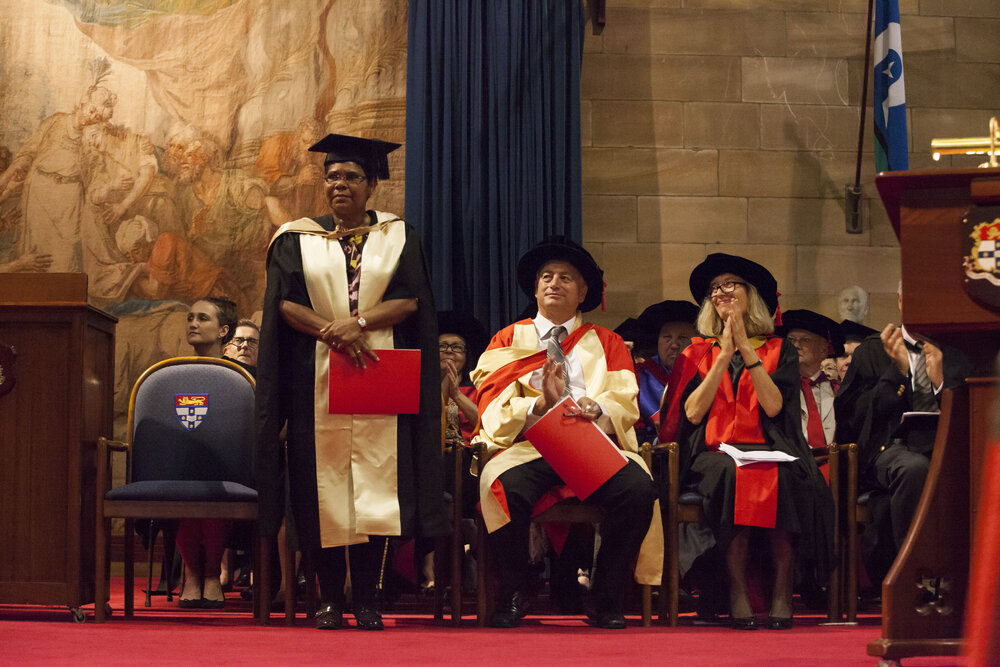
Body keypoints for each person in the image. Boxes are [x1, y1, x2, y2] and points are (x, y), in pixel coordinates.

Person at [255, 133, 447, 631]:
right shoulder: (296, 236)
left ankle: (367, 597)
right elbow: (284, 303)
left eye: (352, 177)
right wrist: (330, 330)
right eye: (333, 176)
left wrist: (356, 325)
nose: (340, 185)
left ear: (373, 185)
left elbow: (411, 300)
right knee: (322, 490)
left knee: (378, 488)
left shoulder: (399, 235)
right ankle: (327, 600)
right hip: (315, 378)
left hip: (379, 372)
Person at [472, 236, 660, 630]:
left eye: (565, 278)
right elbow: (490, 402)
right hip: (530, 446)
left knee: (638, 488)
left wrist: (598, 408)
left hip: (590, 441)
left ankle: (606, 595)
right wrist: (539, 405)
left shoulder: (607, 341)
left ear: (583, 291)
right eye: (546, 276)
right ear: (535, 287)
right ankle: (515, 591)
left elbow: (624, 397)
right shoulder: (507, 339)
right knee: (501, 487)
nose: (553, 283)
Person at [659, 253, 832, 630]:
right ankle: (737, 590)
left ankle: (783, 590)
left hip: (769, 448)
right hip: (714, 453)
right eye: (715, 288)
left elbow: (773, 408)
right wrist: (723, 353)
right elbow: (691, 414)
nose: (721, 292)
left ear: (749, 294)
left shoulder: (779, 350)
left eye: (730, 284)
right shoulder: (696, 352)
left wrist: (746, 348)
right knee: (733, 474)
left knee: (784, 475)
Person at [834, 282, 971, 583]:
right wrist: (896, 373)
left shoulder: (958, 348)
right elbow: (853, 416)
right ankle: (914, 577)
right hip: (892, 448)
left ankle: (969, 578)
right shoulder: (872, 349)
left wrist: (939, 383)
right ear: (899, 300)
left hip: (947, 444)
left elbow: (973, 407)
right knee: (914, 469)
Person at [176, 295, 238, 608]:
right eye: (190, 317)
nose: (193, 323)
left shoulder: (240, 376)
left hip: (229, 463)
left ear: (224, 330)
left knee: (210, 474)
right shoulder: (171, 373)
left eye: (202, 318)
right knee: (186, 474)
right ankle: (191, 574)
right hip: (184, 461)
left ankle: (212, 573)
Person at [633, 300, 699, 444]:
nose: (674, 345)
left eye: (682, 338)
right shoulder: (638, 377)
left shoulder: (707, 373)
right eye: (667, 337)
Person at [777, 309, 841, 454]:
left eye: (805, 340)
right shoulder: (777, 389)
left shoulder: (838, 391)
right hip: (792, 466)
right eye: (791, 340)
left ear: (824, 349)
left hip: (834, 466)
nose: (796, 345)